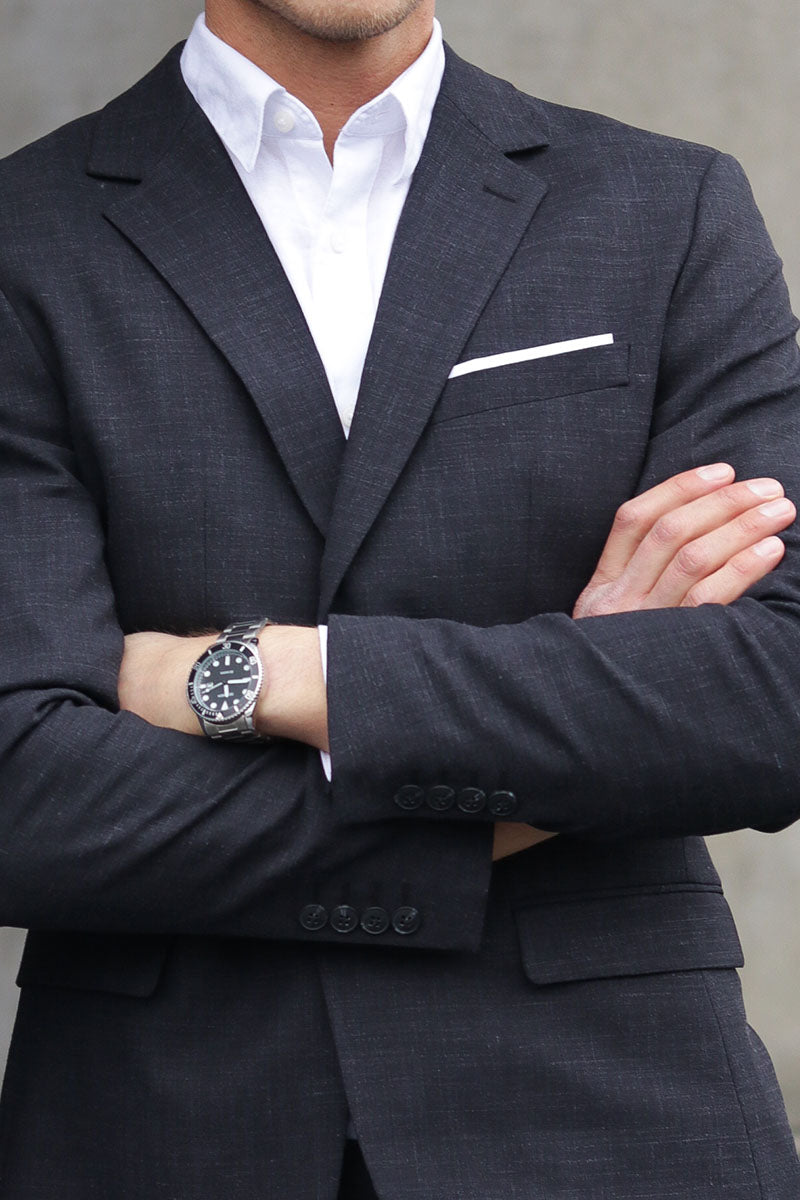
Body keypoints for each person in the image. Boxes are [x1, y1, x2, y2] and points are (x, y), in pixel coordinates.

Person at [0, 0, 799, 1196]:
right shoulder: (23, 236)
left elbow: (766, 702)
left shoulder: (665, 206)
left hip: (614, 1120)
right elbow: (24, 794)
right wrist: (564, 748)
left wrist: (265, 674)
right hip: (160, 1128)